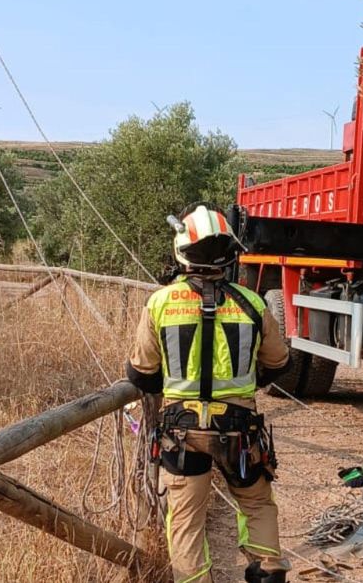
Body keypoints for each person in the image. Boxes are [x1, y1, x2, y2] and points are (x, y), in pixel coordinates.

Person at [127, 204, 293, 583]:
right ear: (229, 255)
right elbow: (280, 362)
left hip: (181, 431)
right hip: (238, 430)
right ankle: (267, 572)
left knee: (185, 521)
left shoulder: (160, 303)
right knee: (256, 504)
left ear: (181, 251)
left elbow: (140, 372)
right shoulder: (252, 304)